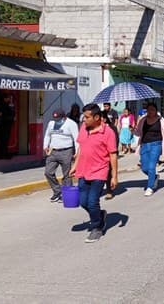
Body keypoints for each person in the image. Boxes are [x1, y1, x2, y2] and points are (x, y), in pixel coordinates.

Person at [69, 104, 118, 243]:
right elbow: (81, 149)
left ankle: (97, 227)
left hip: (100, 171)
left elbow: (113, 155)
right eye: (84, 117)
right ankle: (100, 215)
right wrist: (75, 165)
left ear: (97, 117)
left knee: (92, 201)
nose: (84, 120)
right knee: (83, 201)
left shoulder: (108, 132)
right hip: (83, 170)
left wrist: (114, 176)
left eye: (87, 117)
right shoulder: (84, 129)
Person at [134, 103, 164, 196]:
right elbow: (138, 133)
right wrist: (133, 129)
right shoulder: (143, 119)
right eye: (148, 110)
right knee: (144, 168)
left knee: (151, 166)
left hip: (156, 145)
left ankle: (150, 187)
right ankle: (154, 177)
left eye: (152, 109)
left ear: (156, 110)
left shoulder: (161, 120)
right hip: (144, 145)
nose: (150, 111)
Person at [43, 108, 79, 202]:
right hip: (53, 151)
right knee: (48, 172)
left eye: (59, 118)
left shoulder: (71, 124)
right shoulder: (51, 123)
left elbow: (76, 138)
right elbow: (47, 135)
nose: (57, 121)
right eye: (55, 119)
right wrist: (45, 145)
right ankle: (57, 191)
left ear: (64, 117)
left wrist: (77, 152)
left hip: (66, 151)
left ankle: (67, 195)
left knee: (67, 175)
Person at [0, 93, 15, 159]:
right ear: (5, 98)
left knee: (5, 140)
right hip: (3, 124)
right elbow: (3, 114)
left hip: (7, 124)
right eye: (8, 98)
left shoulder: (8, 104)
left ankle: (4, 153)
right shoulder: (2, 105)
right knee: (3, 140)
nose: (9, 99)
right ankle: (2, 154)